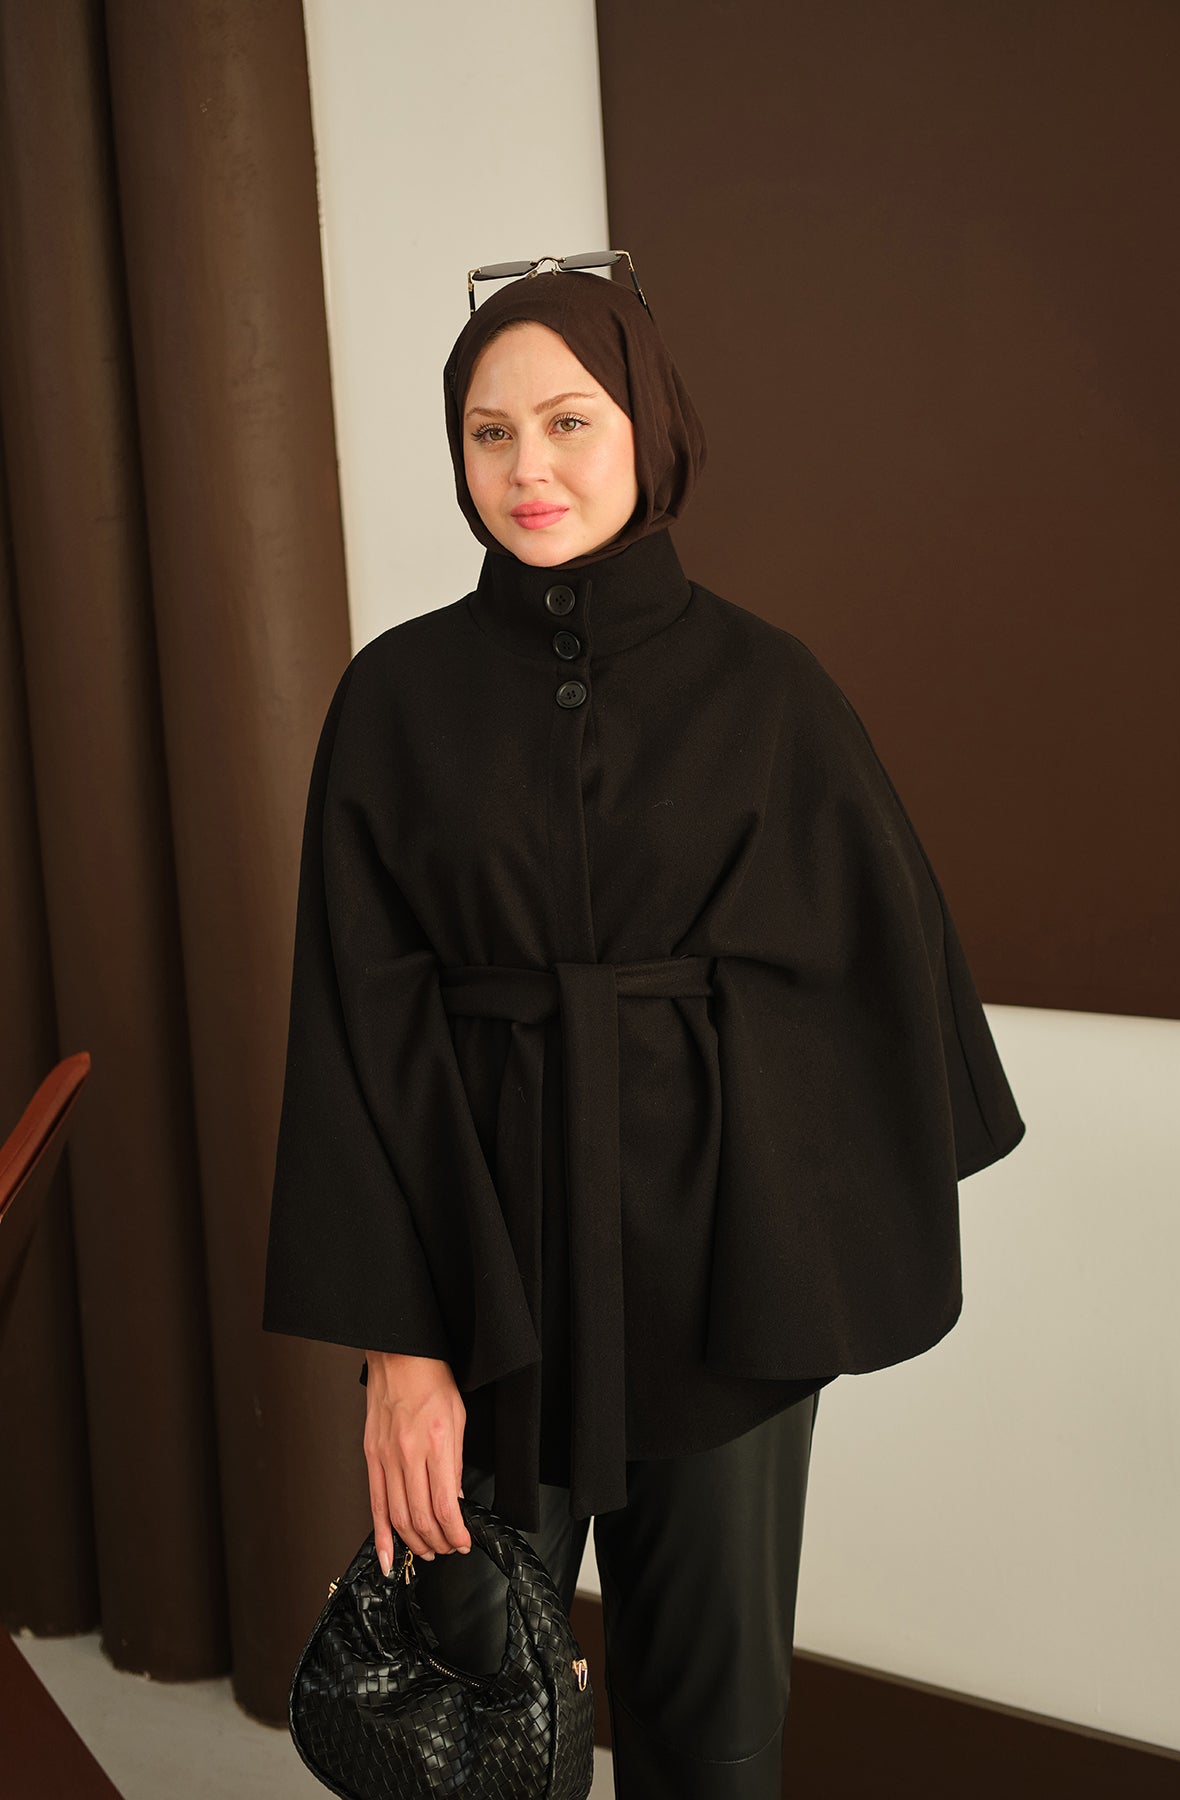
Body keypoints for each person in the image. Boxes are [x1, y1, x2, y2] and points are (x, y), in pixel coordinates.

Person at [262, 257, 1026, 1797]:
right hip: (478, 1284)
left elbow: (876, 981)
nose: (528, 468)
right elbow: (353, 1035)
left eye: (569, 421)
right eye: (489, 433)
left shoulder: (772, 692)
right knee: (475, 1733)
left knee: (716, 1740)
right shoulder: (394, 700)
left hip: (725, 1296)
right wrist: (401, 1354)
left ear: (647, 430)